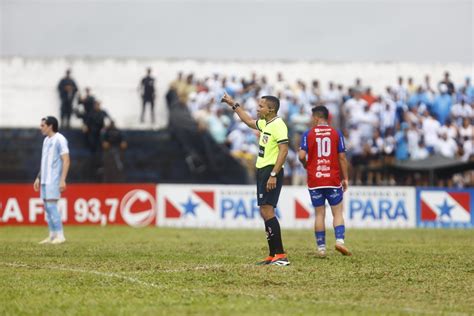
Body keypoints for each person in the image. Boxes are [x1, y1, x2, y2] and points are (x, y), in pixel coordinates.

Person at [221, 92, 290, 266]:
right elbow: (249, 121)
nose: (257, 108)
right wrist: (233, 104)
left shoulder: (278, 125)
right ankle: (273, 254)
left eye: (261, 106)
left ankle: (280, 255)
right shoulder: (266, 123)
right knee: (264, 211)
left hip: (270, 171)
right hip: (262, 170)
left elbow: (284, 151)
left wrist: (274, 174)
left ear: (271, 109)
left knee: (268, 211)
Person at [298, 105, 351, 258]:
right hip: (332, 178)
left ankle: (321, 248)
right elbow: (342, 157)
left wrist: (306, 165)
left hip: (315, 179)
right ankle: (340, 241)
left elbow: (301, 156)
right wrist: (345, 177)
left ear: (316, 117)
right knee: (338, 212)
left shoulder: (308, 134)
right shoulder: (336, 133)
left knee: (319, 214)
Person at [33, 116, 70, 244]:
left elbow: (66, 159)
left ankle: (61, 235)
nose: (41, 128)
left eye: (43, 125)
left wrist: (62, 180)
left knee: (51, 206)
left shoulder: (60, 139)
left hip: (53, 179)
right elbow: (44, 161)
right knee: (47, 208)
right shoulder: (46, 141)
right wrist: (38, 177)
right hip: (44, 180)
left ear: (50, 126)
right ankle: (52, 235)